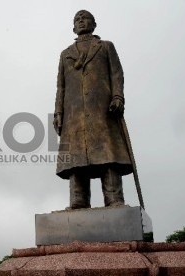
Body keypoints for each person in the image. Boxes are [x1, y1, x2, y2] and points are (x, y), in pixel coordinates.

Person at [54, 10, 133, 209]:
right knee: (76, 157)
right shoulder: (66, 54)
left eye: (85, 18)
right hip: (74, 114)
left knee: (108, 153)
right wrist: (58, 113)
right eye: (77, 20)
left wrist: (118, 96)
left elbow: (117, 73)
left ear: (94, 24)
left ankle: (114, 198)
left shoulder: (105, 46)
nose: (81, 21)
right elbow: (60, 87)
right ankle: (78, 199)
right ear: (73, 27)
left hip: (102, 109)